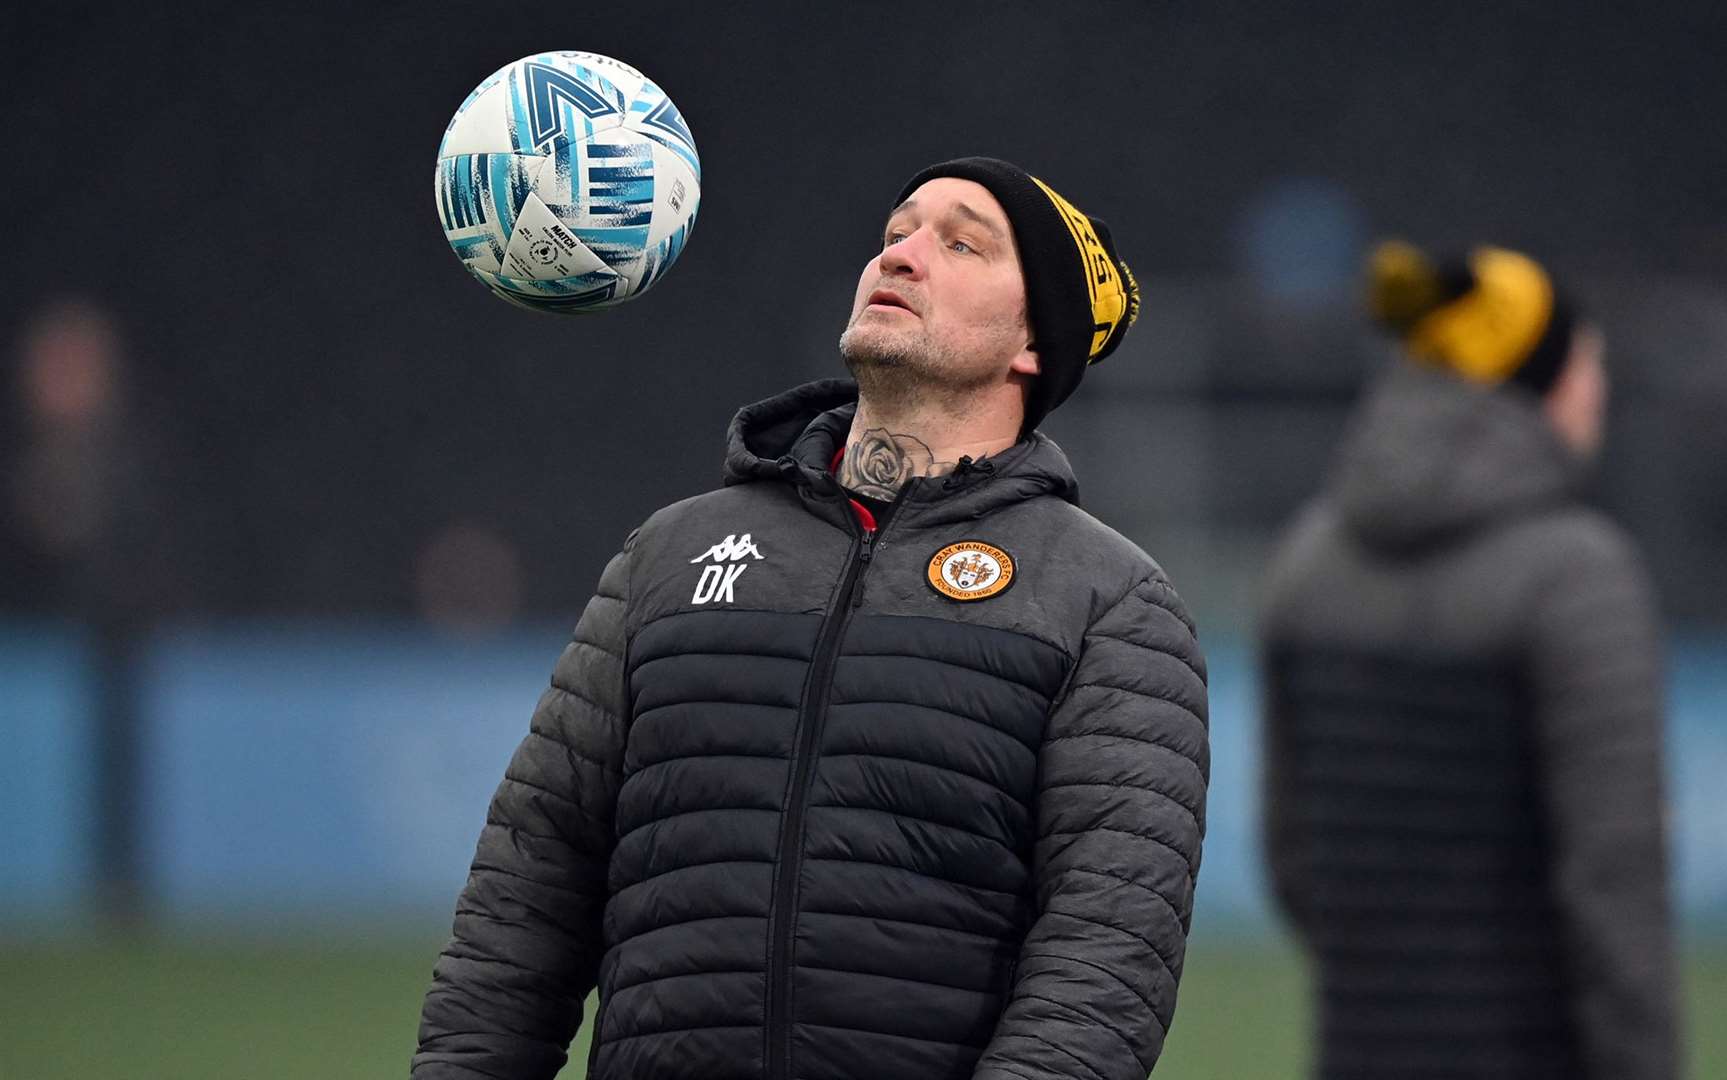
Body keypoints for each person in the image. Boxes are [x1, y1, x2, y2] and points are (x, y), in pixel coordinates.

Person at [413, 157, 1210, 1080]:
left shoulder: (1107, 600)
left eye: (962, 244)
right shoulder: (668, 557)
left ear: (1034, 342)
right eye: (896, 233)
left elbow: (1104, 964)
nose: (903, 256)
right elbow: (529, 894)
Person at [1258, 241, 1679, 1079]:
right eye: (1589, 360)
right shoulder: (1575, 575)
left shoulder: (1307, 557)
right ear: (1540, 379)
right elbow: (1613, 883)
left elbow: (1294, 857)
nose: (1600, 387)